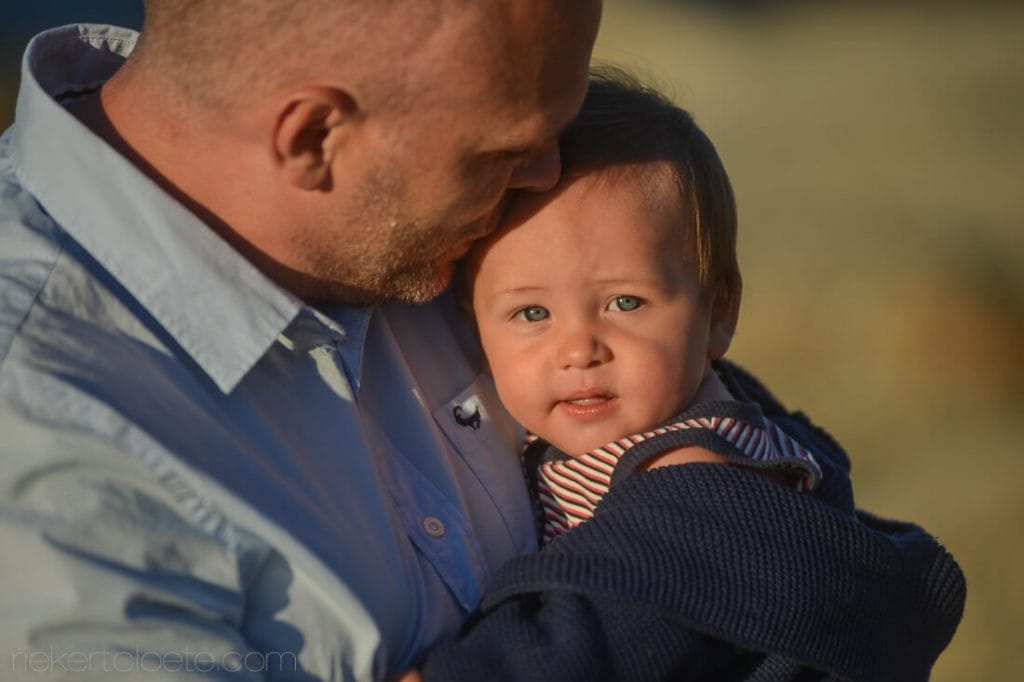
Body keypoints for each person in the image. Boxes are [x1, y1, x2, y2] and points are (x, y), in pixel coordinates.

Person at [0, 1, 601, 679]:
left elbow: (715, 434)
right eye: (502, 153)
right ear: (314, 137)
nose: (549, 175)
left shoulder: (442, 218)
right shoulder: (38, 445)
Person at [408, 70, 966, 681]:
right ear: (472, 327)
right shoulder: (683, 416)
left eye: (625, 303)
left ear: (717, 313)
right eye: (532, 313)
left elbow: (603, 634)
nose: (578, 350)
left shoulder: (692, 477)